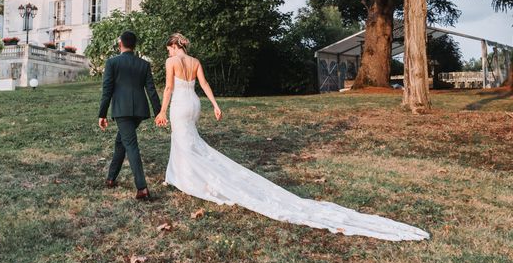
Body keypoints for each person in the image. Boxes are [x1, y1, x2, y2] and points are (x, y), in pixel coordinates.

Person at [155, 33, 429, 241]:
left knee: (184, 142)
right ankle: (177, 175)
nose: (168, 51)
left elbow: (168, 88)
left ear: (172, 46)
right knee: (190, 142)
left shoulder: (172, 61)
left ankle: (185, 178)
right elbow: (204, 84)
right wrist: (215, 105)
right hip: (195, 104)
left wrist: (161, 110)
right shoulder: (194, 61)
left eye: (168, 47)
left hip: (180, 104)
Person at [98, 31, 161, 200]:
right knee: (122, 142)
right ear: (134, 46)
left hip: (122, 111)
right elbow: (152, 91)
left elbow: (107, 91)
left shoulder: (112, 63)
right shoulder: (144, 64)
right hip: (139, 112)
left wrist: (102, 114)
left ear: (120, 44)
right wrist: (158, 112)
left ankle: (142, 188)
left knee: (130, 145)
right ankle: (111, 178)